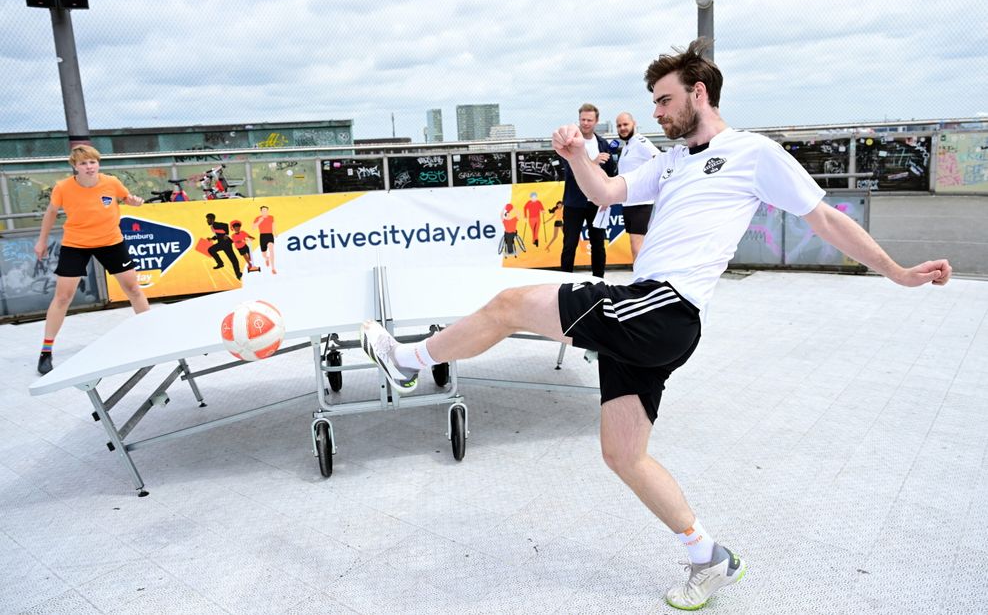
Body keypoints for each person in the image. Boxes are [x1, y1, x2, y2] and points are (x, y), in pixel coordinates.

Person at [359, 38, 952, 610]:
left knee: (512, 302)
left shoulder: (753, 153)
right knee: (623, 454)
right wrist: (575, 156)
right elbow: (607, 191)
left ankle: (409, 364)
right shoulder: (668, 163)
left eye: (664, 100)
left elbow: (823, 218)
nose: (657, 112)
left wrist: (896, 272)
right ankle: (707, 555)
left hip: (667, 307)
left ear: (699, 93)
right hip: (646, 308)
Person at [34, 145, 150, 375]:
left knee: (133, 289)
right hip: (76, 244)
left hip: (111, 241)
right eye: (83, 163)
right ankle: (46, 351)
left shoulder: (111, 182)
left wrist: (133, 201)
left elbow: (125, 197)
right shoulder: (63, 188)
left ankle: (152, 335)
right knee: (63, 296)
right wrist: (42, 241)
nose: (89, 167)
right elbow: (50, 213)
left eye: (92, 162)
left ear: (98, 164)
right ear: (75, 167)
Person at [559, 103, 618, 277]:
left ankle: (599, 282)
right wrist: (592, 162)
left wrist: (608, 198)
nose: (585, 123)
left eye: (589, 120)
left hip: (597, 202)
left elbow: (610, 174)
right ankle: (565, 281)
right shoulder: (570, 144)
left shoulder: (603, 144)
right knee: (569, 244)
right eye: (583, 119)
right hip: (574, 202)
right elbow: (570, 171)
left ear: (596, 121)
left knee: (598, 244)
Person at [615, 111, 661, 259]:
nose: (622, 128)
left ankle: (641, 281)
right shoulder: (628, 146)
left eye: (625, 124)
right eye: (619, 125)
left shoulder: (640, 141)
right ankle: (640, 279)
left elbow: (659, 158)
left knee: (638, 246)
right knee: (635, 245)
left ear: (634, 124)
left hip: (641, 203)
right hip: (628, 202)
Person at [205, 213, 241, 280]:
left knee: (233, 259)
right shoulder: (213, 227)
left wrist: (226, 235)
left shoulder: (216, 224)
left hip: (226, 243)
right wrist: (212, 239)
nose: (207, 221)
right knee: (211, 250)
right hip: (222, 243)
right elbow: (218, 234)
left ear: (211, 219)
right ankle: (221, 263)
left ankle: (237, 274)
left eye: (208, 219)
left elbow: (226, 225)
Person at [252, 206, 277, 274]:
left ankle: (273, 268)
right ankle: (266, 258)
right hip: (262, 236)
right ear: (261, 211)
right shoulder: (257, 218)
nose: (265, 212)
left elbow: (273, 225)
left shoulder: (271, 217)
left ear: (267, 211)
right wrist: (259, 221)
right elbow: (253, 227)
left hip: (270, 235)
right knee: (264, 254)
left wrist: (275, 232)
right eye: (263, 211)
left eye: (266, 210)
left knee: (271, 250)